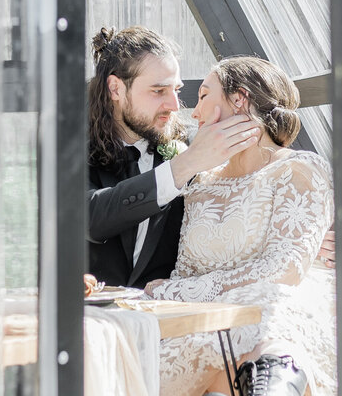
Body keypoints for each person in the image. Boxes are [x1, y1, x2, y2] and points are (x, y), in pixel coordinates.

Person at [149, 57, 338, 396]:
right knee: (222, 353)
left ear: (240, 99)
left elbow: (284, 269)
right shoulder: (200, 185)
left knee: (269, 304)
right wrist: (177, 290)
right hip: (218, 321)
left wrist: (176, 292)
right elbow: (186, 268)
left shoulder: (300, 169)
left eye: (202, 96)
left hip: (284, 310)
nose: (192, 112)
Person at [86, 25, 259, 289]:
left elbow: (239, 214)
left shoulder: (195, 145)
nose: (175, 106)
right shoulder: (67, 147)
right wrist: (185, 164)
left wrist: (299, 235)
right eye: (158, 91)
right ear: (116, 89)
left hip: (169, 315)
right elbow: (88, 217)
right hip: (90, 319)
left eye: (176, 90)